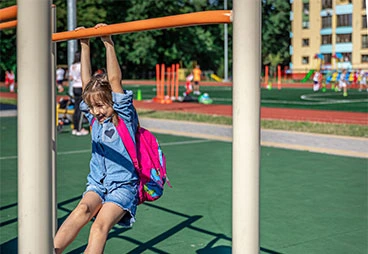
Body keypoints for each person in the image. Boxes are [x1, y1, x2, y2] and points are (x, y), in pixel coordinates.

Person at [54, 24, 140, 253]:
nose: (96, 111)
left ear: (112, 101)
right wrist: (84, 43)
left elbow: (114, 79)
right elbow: (86, 84)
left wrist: (107, 41)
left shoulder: (122, 116)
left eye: (101, 105)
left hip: (122, 186)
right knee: (82, 209)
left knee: (99, 226)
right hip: (97, 183)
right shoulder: (95, 118)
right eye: (92, 107)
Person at [69, 51, 89, 136]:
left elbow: (70, 77)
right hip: (81, 86)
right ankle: (79, 128)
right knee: (81, 109)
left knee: (76, 108)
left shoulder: (72, 66)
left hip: (74, 87)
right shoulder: (81, 65)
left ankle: (75, 127)